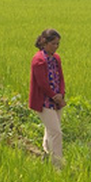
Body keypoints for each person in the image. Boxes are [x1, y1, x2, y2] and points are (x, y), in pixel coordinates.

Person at [29, 29, 67, 169]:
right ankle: (58, 164)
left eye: (58, 44)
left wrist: (61, 94)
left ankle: (46, 153)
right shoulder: (38, 60)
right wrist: (54, 96)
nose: (56, 46)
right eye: (53, 43)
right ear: (44, 43)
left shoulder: (56, 58)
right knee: (56, 132)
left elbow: (61, 78)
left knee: (50, 129)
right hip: (44, 101)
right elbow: (42, 83)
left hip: (57, 100)